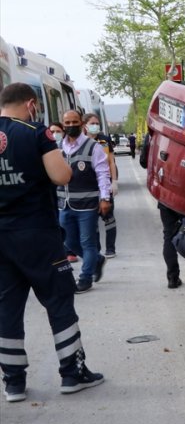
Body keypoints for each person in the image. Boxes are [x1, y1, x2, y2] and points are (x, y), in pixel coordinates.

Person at [0, 83, 105, 402]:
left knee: (7, 307)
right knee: (59, 300)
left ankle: (14, 382)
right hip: (37, 233)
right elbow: (61, 176)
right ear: (30, 104)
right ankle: (72, 373)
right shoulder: (35, 132)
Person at [57, 109, 110, 293]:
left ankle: (85, 277)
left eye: (74, 122)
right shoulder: (57, 147)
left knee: (87, 242)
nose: (71, 126)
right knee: (69, 242)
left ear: (81, 123)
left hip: (87, 205)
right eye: (67, 123)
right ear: (63, 124)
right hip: (64, 204)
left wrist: (105, 198)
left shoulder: (92, 146)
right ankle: (97, 259)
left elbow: (103, 173)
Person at [139, 132, 185, 289]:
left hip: (166, 194)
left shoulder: (156, 135)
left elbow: (143, 161)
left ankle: (172, 278)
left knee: (169, 236)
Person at [83, 113, 119, 258]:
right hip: (89, 185)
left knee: (108, 216)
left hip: (105, 182)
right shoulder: (81, 141)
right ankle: (96, 249)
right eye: (92, 123)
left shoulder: (104, 140)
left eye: (97, 123)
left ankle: (110, 248)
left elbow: (111, 161)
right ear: (85, 125)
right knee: (93, 219)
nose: (95, 125)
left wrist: (114, 181)